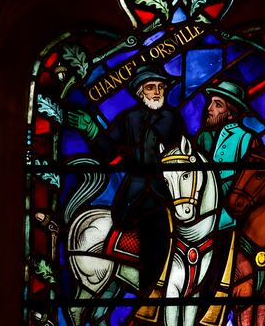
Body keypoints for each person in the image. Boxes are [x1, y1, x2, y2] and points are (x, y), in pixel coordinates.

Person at [66, 66, 185, 298]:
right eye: (151, 88)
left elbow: (179, 152)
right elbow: (107, 151)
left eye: (160, 87)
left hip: (169, 188)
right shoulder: (128, 119)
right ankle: (150, 294)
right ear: (140, 92)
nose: (157, 92)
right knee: (154, 233)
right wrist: (90, 129)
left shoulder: (171, 118)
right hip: (137, 193)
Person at [195, 79, 257, 229]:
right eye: (211, 102)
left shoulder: (245, 137)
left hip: (228, 213)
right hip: (198, 209)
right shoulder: (203, 136)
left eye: (218, 105)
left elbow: (249, 178)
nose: (209, 109)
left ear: (230, 113)